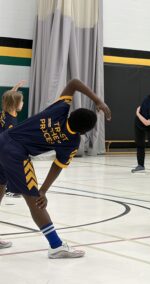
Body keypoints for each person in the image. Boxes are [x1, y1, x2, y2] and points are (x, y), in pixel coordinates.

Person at [0, 79, 111, 258]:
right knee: (35, 200)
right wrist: (42, 191)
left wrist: (98, 100)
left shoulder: (59, 110)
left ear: (72, 113)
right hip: (16, 152)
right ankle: (56, 246)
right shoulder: (73, 142)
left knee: (0, 187)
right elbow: (57, 166)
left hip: (3, 140)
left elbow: (74, 82)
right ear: (84, 132)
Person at [0, 80, 25, 249]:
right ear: (16, 104)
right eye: (21, 101)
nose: (23, 103)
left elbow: (8, 98)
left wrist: (15, 89)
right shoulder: (9, 122)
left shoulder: (5, 112)